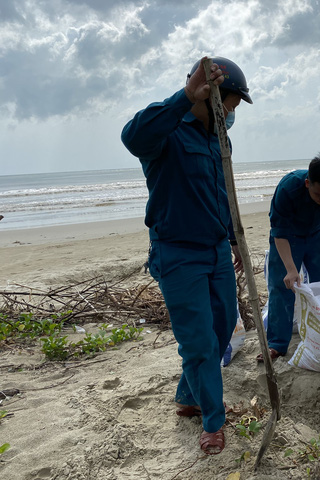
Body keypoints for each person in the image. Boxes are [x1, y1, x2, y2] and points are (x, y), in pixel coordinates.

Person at [121, 56, 252, 455]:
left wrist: (234, 241)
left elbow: (221, 191)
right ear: (205, 94)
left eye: (232, 108)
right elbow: (132, 137)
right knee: (198, 344)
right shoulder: (168, 133)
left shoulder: (218, 138)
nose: (229, 114)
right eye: (226, 104)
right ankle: (212, 419)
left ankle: (187, 393)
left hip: (215, 250)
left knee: (222, 325)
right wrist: (183, 97)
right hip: (177, 253)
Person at [260, 155, 320, 362]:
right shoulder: (288, 189)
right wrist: (290, 269)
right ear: (307, 184)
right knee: (282, 287)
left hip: (318, 234)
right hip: (288, 238)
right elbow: (279, 231)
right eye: (319, 195)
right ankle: (276, 344)